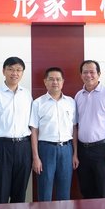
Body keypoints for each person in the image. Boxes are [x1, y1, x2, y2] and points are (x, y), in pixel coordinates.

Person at [0, 56, 33, 204]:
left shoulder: (26, 94)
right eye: (11, 69)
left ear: (22, 73)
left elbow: (32, 124)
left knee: (20, 191)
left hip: (24, 146)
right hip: (2, 147)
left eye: (18, 70)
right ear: (3, 71)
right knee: (1, 191)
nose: (14, 73)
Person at [30, 67, 78, 201]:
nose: (55, 82)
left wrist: (75, 154)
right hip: (46, 150)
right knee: (45, 190)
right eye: (51, 79)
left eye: (58, 79)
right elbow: (34, 131)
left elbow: (74, 129)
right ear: (45, 82)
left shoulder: (71, 102)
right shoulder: (38, 103)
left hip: (66, 150)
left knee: (64, 191)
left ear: (63, 82)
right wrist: (36, 157)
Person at [75, 60, 105, 199]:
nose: (88, 75)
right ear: (81, 75)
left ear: (99, 74)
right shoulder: (78, 96)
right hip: (83, 150)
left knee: (103, 190)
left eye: (92, 72)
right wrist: (75, 153)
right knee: (86, 190)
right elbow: (75, 126)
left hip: (102, 150)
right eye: (85, 72)